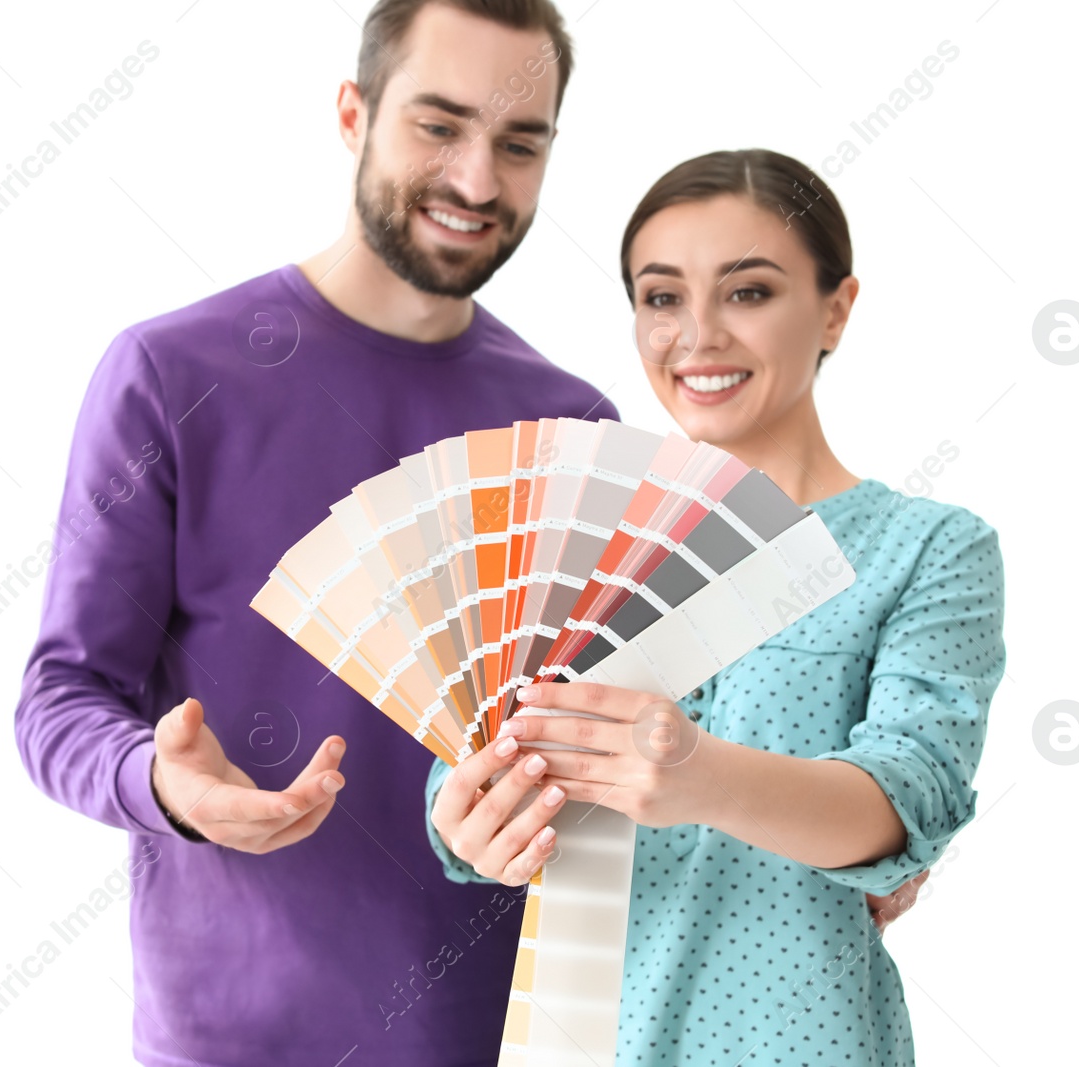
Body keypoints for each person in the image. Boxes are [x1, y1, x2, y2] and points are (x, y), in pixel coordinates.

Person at [13, 2, 618, 1064]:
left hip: (496, 1040)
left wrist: (838, 850)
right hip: (228, 1041)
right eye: (439, 125)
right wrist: (162, 784)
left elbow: (611, 754)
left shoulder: (571, 430)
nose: (478, 181)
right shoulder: (171, 377)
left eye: (520, 144)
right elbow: (59, 698)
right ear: (354, 114)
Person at [427, 148, 1006, 1064]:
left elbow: (912, 792)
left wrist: (698, 776)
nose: (697, 334)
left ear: (836, 308)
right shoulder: (569, 544)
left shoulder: (927, 548)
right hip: (579, 1038)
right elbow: (467, 762)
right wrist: (467, 819)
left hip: (804, 1040)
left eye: (748, 292)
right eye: (662, 297)